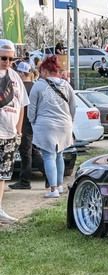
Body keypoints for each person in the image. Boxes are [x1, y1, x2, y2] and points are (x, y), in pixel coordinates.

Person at [28, 55, 75, 199]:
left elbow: (31, 109)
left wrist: (32, 122)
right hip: (64, 124)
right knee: (59, 154)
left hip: (45, 125)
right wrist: (70, 120)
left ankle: (53, 188)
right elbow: (73, 106)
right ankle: (59, 186)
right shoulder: (66, 85)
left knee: (49, 155)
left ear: (45, 71)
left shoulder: (38, 85)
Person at [0, 39, 30, 223]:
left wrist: (18, 130)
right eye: (4, 58)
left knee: (2, 174)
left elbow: (22, 105)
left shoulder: (15, 77)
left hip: (10, 134)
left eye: (11, 59)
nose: (8, 62)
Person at [8, 62, 35, 191]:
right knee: (32, 152)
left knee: (26, 154)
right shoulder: (35, 87)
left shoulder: (19, 87)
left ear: (22, 73)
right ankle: (50, 175)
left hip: (23, 124)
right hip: (31, 124)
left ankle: (25, 181)